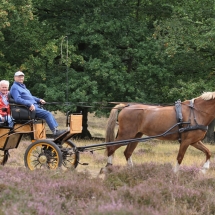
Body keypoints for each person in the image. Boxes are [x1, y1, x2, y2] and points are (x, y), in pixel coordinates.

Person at [10, 71, 66, 138]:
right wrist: (29, 104)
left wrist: (39, 100)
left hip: (34, 106)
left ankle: (55, 130)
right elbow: (17, 99)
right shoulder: (15, 87)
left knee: (48, 113)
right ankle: (55, 132)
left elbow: (30, 97)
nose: (21, 78)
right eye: (19, 77)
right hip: (28, 108)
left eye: (22, 76)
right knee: (47, 114)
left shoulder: (23, 87)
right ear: (15, 78)